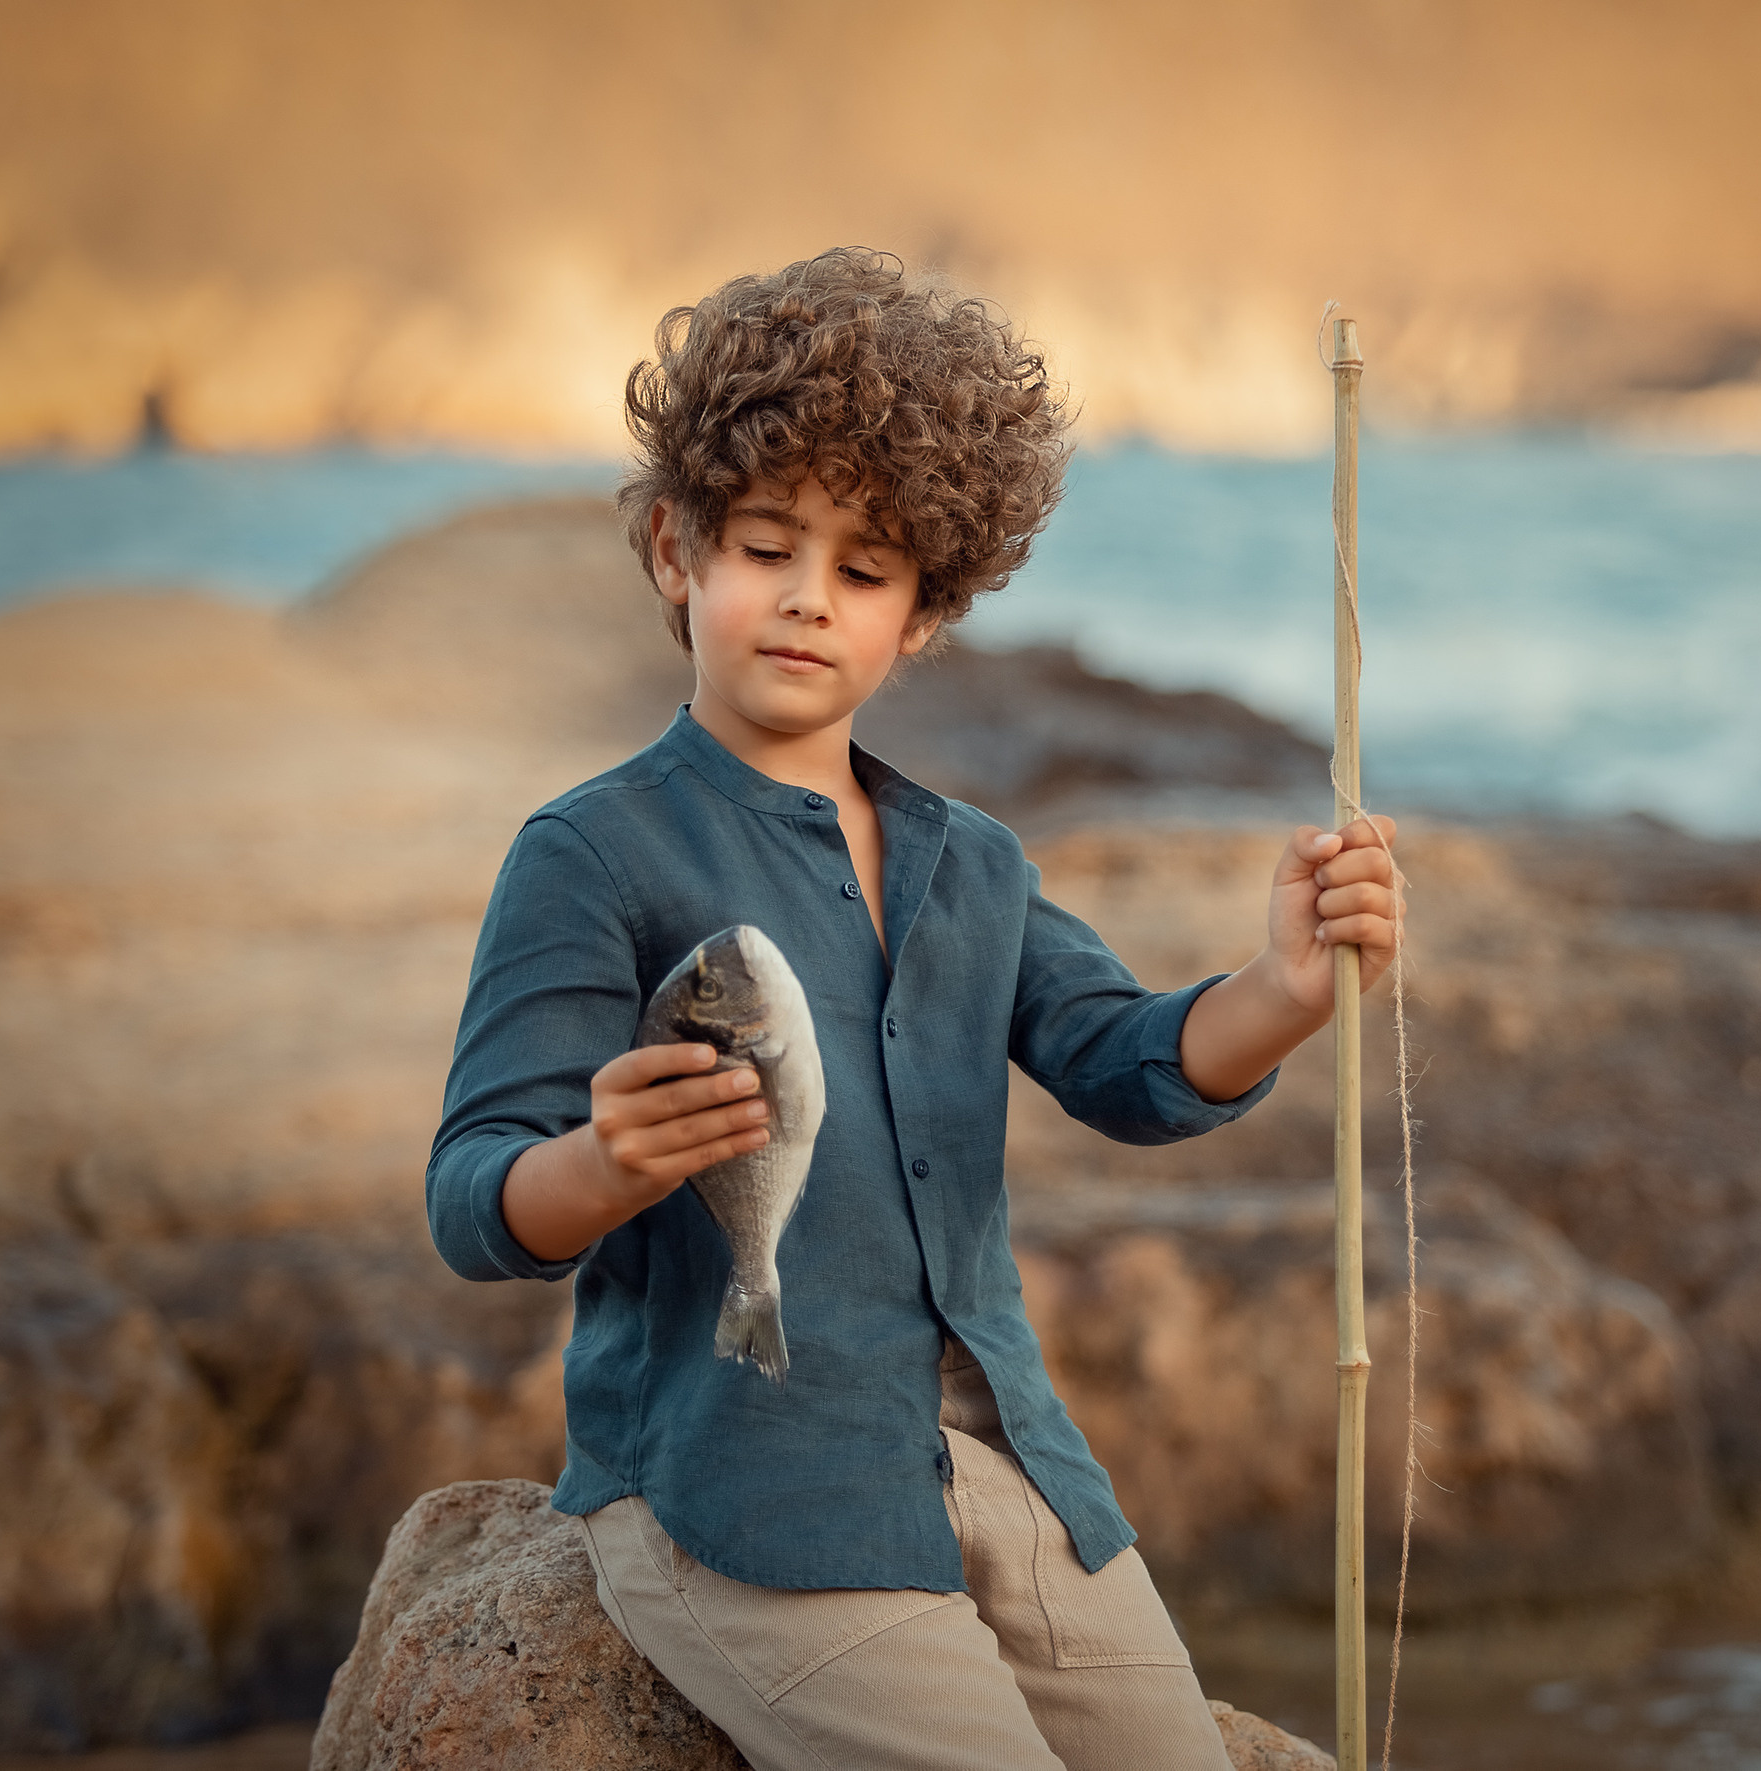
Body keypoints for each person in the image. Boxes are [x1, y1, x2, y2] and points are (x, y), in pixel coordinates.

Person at [426, 247, 1400, 1771]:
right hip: (736, 1486)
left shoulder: (972, 863)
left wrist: (1280, 989)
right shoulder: (591, 852)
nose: (809, 600)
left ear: (925, 618)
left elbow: (1133, 1065)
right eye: (765, 547)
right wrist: (601, 1169)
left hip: (1011, 1466)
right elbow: (476, 1197)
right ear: (677, 552)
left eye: (866, 573)